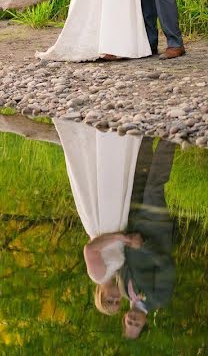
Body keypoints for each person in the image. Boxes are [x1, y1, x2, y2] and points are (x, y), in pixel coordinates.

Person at [53, 118, 144, 315]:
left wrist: (121, 238)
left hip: (103, 222)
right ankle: (119, 136)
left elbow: (91, 249)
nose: (117, 298)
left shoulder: (97, 276)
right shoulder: (114, 274)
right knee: (117, 181)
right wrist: (130, 242)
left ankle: (104, 137)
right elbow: (114, 248)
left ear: (101, 295)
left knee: (105, 182)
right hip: (115, 221)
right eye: (118, 302)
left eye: (111, 301)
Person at [118, 137, 177, 339]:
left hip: (133, 223)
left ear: (124, 318)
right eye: (137, 324)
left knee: (138, 178)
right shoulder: (159, 298)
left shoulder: (125, 292)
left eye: (129, 323)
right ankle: (169, 138)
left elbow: (122, 262)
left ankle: (147, 133)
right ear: (145, 323)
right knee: (154, 186)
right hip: (155, 227)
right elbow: (166, 266)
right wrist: (143, 246)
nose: (133, 320)